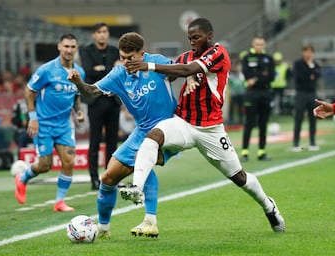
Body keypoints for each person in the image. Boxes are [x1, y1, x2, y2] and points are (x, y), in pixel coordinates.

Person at [120, 18, 285, 233]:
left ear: (210, 36)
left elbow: (187, 69)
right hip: (184, 123)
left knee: (239, 177)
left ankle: (268, 205)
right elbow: (175, 70)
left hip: (210, 129)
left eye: (196, 37)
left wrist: (151, 66)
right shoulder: (187, 56)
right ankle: (137, 188)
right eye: (189, 38)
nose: (192, 42)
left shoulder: (219, 53)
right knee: (154, 135)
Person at [68, 32, 178, 238]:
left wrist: (188, 79)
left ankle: (150, 221)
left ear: (142, 55)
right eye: (123, 57)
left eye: (131, 58)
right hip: (142, 130)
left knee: (141, 159)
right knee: (108, 178)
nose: (126, 62)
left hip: (168, 127)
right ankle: (102, 229)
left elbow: (179, 70)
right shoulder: (119, 74)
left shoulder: (156, 63)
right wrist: (78, 82)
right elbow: (90, 92)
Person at [14, 34, 86, 212]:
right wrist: (33, 118)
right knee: (45, 166)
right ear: (59, 47)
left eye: (72, 47)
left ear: (76, 49)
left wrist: (78, 111)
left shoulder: (79, 72)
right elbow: (29, 91)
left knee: (68, 161)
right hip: (44, 124)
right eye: (66, 46)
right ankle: (22, 178)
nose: (69, 50)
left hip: (64, 125)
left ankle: (59, 202)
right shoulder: (46, 70)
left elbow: (76, 96)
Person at [79, 22, 122, 190]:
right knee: (94, 141)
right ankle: (94, 179)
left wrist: (102, 69)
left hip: (113, 100)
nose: (102, 35)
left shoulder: (114, 50)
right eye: (99, 32)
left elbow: (119, 71)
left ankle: (110, 177)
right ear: (94, 34)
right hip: (95, 101)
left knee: (113, 142)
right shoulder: (86, 50)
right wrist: (110, 68)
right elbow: (89, 71)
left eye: (105, 31)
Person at [240, 36, 275, 161]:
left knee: (263, 123)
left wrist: (255, 78)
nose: (259, 46)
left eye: (261, 44)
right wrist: (260, 75)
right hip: (251, 94)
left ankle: (261, 151)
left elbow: (271, 77)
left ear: (264, 45)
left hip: (265, 93)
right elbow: (246, 74)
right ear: (253, 44)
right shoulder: (247, 57)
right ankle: (245, 151)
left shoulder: (269, 59)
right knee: (249, 123)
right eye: (257, 44)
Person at [292, 44, 321, 152]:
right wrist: (310, 75)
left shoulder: (315, 64)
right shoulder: (298, 64)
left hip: (312, 94)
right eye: (306, 51)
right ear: (303, 52)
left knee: (313, 118)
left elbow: (317, 75)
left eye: (310, 52)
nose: (308, 54)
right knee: (298, 118)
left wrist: (311, 68)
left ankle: (312, 142)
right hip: (301, 93)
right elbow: (299, 77)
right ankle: (296, 143)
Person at [271, 51, 291, 115]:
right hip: (272, 85)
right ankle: (271, 111)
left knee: (281, 100)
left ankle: (281, 112)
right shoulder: (271, 67)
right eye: (276, 60)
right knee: (272, 100)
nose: (277, 62)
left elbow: (289, 75)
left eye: (278, 60)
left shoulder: (284, 66)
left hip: (281, 86)